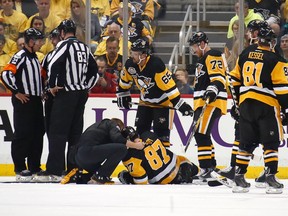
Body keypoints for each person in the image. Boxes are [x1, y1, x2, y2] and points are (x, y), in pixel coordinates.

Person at [32, 19, 99, 183]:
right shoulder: (84, 47)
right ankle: (73, 169)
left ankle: (55, 170)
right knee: (75, 134)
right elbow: (95, 70)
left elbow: (54, 63)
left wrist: (53, 86)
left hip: (66, 94)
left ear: (62, 32)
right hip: (81, 94)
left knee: (58, 133)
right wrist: (85, 87)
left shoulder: (64, 45)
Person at [229, 26, 287, 194]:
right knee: (271, 142)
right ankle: (270, 178)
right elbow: (282, 89)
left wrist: (237, 104)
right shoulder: (276, 59)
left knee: (246, 142)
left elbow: (232, 80)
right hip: (266, 105)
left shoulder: (245, 54)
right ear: (271, 42)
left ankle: (239, 178)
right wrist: (287, 109)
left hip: (246, 105)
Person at [116, 37, 193, 147]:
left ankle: (164, 161)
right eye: (132, 52)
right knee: (141, 133)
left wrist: (181, 105)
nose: (132, 55)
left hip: (162, 103)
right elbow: (124, 82)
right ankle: (144, 160)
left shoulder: (156, 65)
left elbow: (170, 88)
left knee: (162, 136)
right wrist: (123, 96)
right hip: (144, 102)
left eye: (135, 53)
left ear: (143, 55)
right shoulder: (130, 65)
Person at [0, 28, 45, 182]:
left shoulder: (34, 58)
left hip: (36, 100)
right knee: (23, 133)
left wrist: (42, 91)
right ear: (31, 41)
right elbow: (6, 74)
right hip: (24, 101)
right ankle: (19, 167)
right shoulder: (20, 56)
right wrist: (16, 92)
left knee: (38, 133)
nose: (41, 44)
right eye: (39, 41)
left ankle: (34, 166)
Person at [188, 31, 227, 181]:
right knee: (203, 133)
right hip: (203, 102)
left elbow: (218, 77)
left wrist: (212, 90)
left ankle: (206, 168)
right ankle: (211, 166)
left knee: (200, 133)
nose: (193, 50)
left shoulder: (213, 55)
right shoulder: (202, 59)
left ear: (202, 44)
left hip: (211, 102)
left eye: (194, 47)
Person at [63, 118, 145, 184]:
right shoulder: (112, 124)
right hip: (89, 152)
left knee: (100, 170)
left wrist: (135, 138)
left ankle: (79, 177)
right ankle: (102, 176)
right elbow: (118, 138)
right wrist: (136, 145)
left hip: (79, 158)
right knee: (122, 148)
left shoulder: (98, 127)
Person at [118, 128, 199, 184]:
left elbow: (142, 180)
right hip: (180, 167)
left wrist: (129, 178)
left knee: (127, 175)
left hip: (164, 181)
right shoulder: (148, 134)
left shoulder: (129, 156)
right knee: (181, 159)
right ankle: (200, 171)